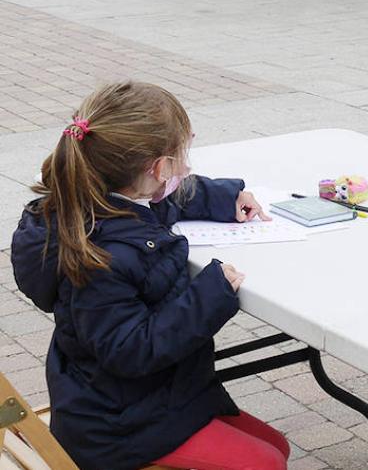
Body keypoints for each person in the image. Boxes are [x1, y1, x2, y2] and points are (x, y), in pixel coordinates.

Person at [10, 81, 289, 470]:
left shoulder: (105, 199)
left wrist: (227, 198)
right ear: (158, 169)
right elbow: (131, 349)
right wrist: (208, 295)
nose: (186, 168)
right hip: (119, 428)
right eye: (182, 157)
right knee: (266, 462)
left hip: (149, 398)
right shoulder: (102, 257)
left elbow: (173, 199)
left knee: (277, 446)